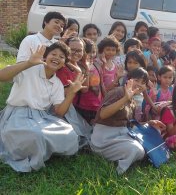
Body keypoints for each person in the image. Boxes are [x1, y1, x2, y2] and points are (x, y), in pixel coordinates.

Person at [0, 43, 83, 172]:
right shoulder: (29, 70)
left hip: (41, 117)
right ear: (45, 57)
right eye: (53, 54)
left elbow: (59, 112)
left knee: (70, 132)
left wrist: (71, 93)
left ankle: (43, 148)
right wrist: (28, 63)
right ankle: (35, 152)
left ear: (64, 62)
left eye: (61, 56)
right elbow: (2, 76)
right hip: (17, 114)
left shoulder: (57, 83)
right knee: (36, 135)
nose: (57, 58)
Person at [90, 68, 165, 174]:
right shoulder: (118, 92)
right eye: (136, 80)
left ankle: (124, 154)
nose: (139, 84)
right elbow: (103, 114)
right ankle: (118, 171)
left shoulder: (133, 101)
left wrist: (149, 123)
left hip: (122, 134)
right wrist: (125, 98)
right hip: (104, 137)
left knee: (154, 130)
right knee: (135, 149)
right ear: (128, 79)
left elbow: (129, 125)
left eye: (143, 83)